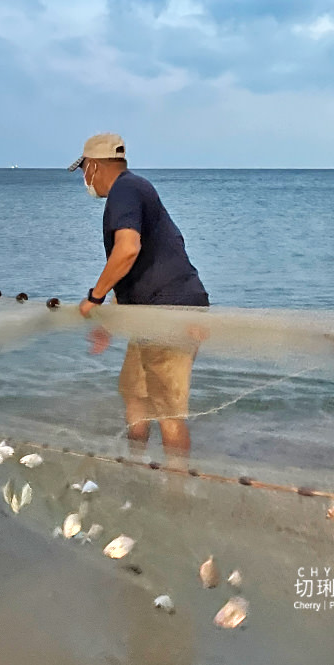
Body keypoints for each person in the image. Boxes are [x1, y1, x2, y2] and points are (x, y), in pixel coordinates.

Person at [69, 133, 209, 460]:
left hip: (172, 314)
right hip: (148, 315)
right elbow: (135, 270)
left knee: (168, 411)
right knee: (135, 395)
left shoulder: (125, 190)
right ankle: (135, 470)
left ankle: (176, 485)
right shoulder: (135, 189)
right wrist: (109, 323)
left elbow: (127, 250)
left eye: (84, 170)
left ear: (93, 166)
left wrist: (94, 297)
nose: (85, 179)